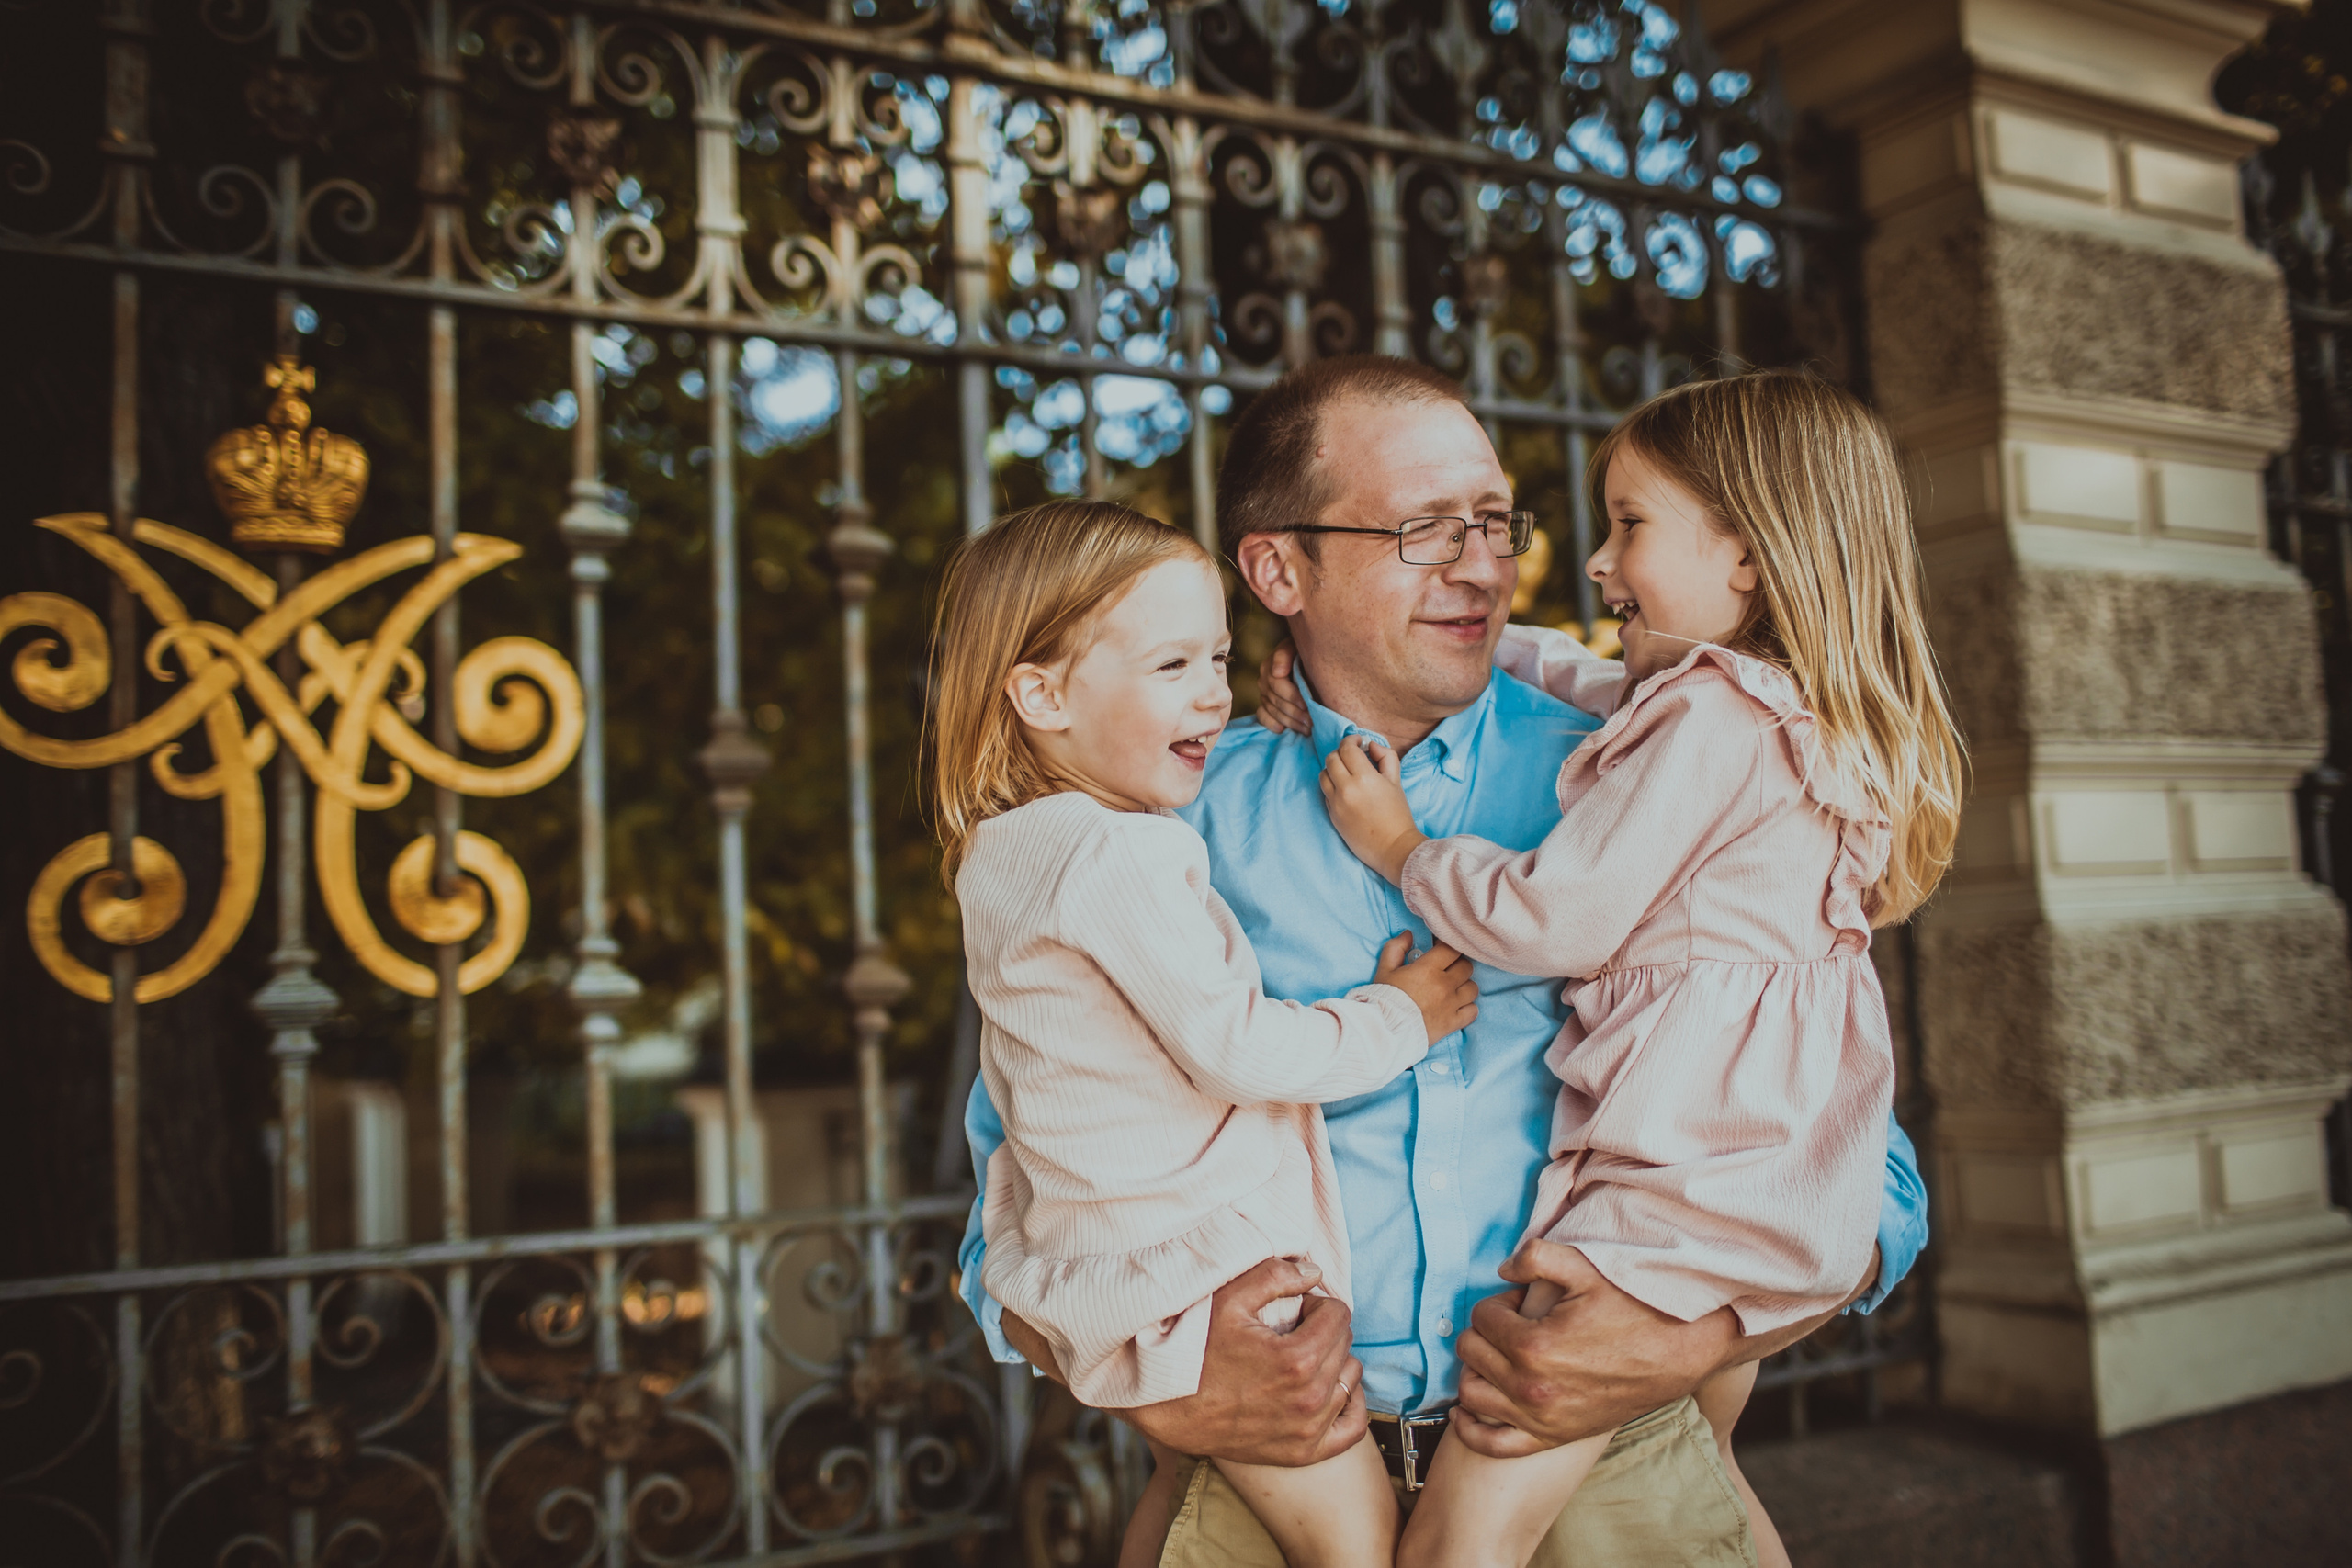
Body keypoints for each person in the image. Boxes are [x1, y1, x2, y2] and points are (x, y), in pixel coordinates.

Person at [958, 355, 1931, 1567]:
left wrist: (1689, 1332)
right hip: (1272, 1483)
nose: (1483, 561)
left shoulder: (1652, 774)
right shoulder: (1159, 830)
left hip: (1606, 1466)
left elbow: (1856, 1157)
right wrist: (1167, 1386)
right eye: (1425, 527)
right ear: (1277, 570)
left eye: (1492, 520)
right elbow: (1017, 1173)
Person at [1283, 370, 1963, 1568]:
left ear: (1746, 557)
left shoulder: (1701, 719)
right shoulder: (1776, 716)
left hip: (1669, 1203)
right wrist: (1499, 645)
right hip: (1762, 1184)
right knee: (1698, 1490)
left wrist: (1402, 845)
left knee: (1461, 1538)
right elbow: (1616, 691)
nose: (1597, 562)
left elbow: (1560, 913)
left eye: (1630, 524)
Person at [931, 501, 1484, 1567]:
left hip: (1111, 1266)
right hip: (1205, 1276)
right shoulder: (1121, 854)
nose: (1210, 692)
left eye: (1220, 657)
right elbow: (1236, 1048)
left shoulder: (1003, 854)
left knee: (1184, 1508)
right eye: (1172, 664)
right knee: (1357, 1547)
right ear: (1040, 693)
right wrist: (1398, 1019)